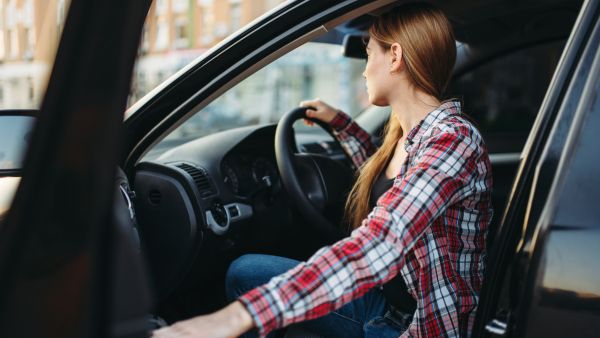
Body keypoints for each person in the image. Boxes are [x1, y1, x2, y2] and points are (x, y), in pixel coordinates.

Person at [153, 3, 493, 338]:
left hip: (420, 327)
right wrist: (339, 123)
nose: (364, 69)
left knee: (251, 294)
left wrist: (235, 318)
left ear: (395, 57)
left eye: (369, 52)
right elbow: (386, 178)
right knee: (244, 272)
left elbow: (381, 242)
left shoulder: (453, 140)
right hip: (383, 306)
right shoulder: (409, 138)